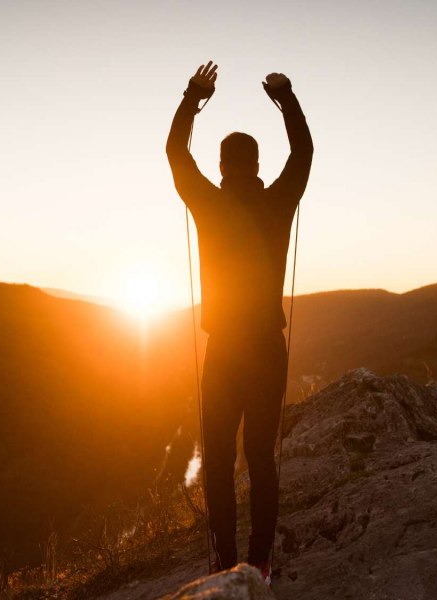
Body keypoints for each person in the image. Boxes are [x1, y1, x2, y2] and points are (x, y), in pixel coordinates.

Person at [166, 61, 313, 580]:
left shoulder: (209, 204)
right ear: (256, 166)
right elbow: (303, 153)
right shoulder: (278, 202)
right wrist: (285, 97)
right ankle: (263, 560)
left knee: (221, 461)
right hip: (268, 349)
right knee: (262, 458)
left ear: (224, 167)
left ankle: (226, 561)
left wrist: (194, 96)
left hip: (225, 349)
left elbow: (175, 153)